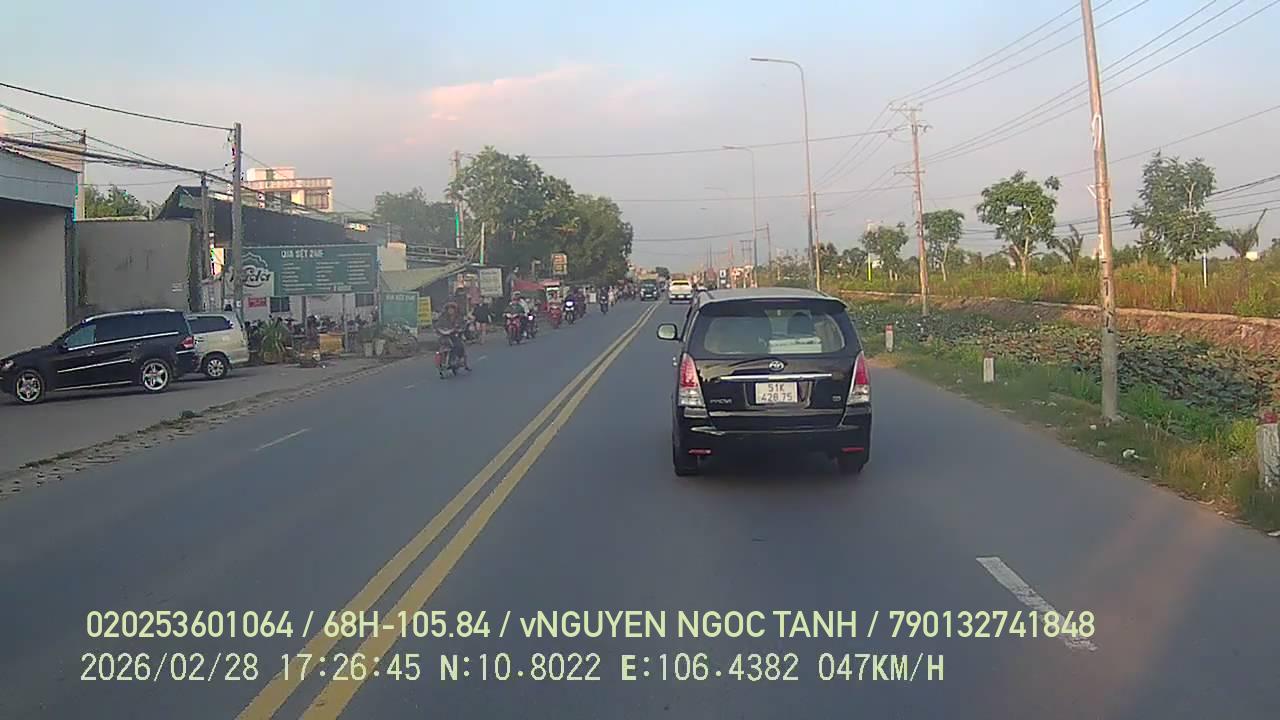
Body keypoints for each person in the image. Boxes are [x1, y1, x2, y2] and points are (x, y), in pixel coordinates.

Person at [437, 301, 469, 369]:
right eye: (449, 309)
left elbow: (463, 325)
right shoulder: (443, 317)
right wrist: (438, 329)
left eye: (452, 309)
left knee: (458, 345)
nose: (450, 310)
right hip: (444, 336)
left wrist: (459, 329)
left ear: (455, 310)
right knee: (441, 345)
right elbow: (438, 325)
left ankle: (458, 358)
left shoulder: (459, 317)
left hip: (455, 335)